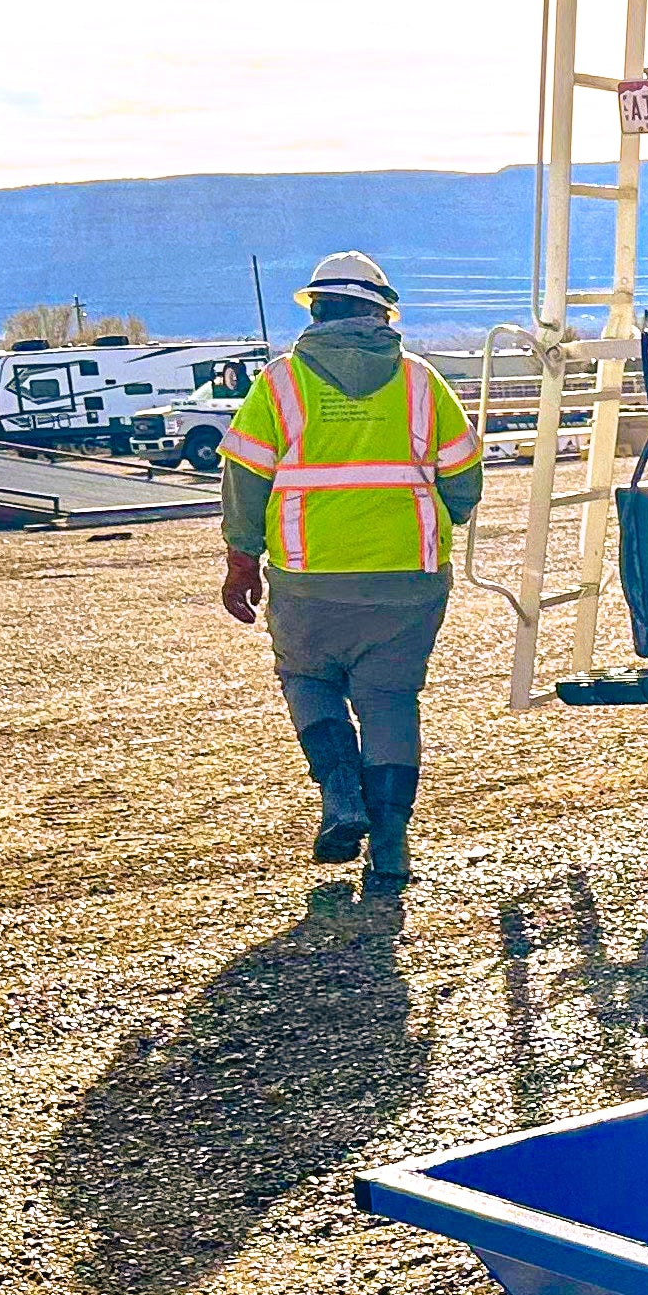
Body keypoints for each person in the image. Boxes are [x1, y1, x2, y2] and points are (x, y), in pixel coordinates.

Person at [218, 252, 482, 892]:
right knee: (390, 700)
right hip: (409, 579)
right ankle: (389, 848)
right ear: (381, 312)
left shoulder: (280, 384)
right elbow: (465, 478)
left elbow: (245, 479)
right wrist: (442, 514)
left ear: (316, 310)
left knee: (308, 677)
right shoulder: (421, 382)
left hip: (310, 578)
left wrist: (241, 557)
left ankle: (340, 792)